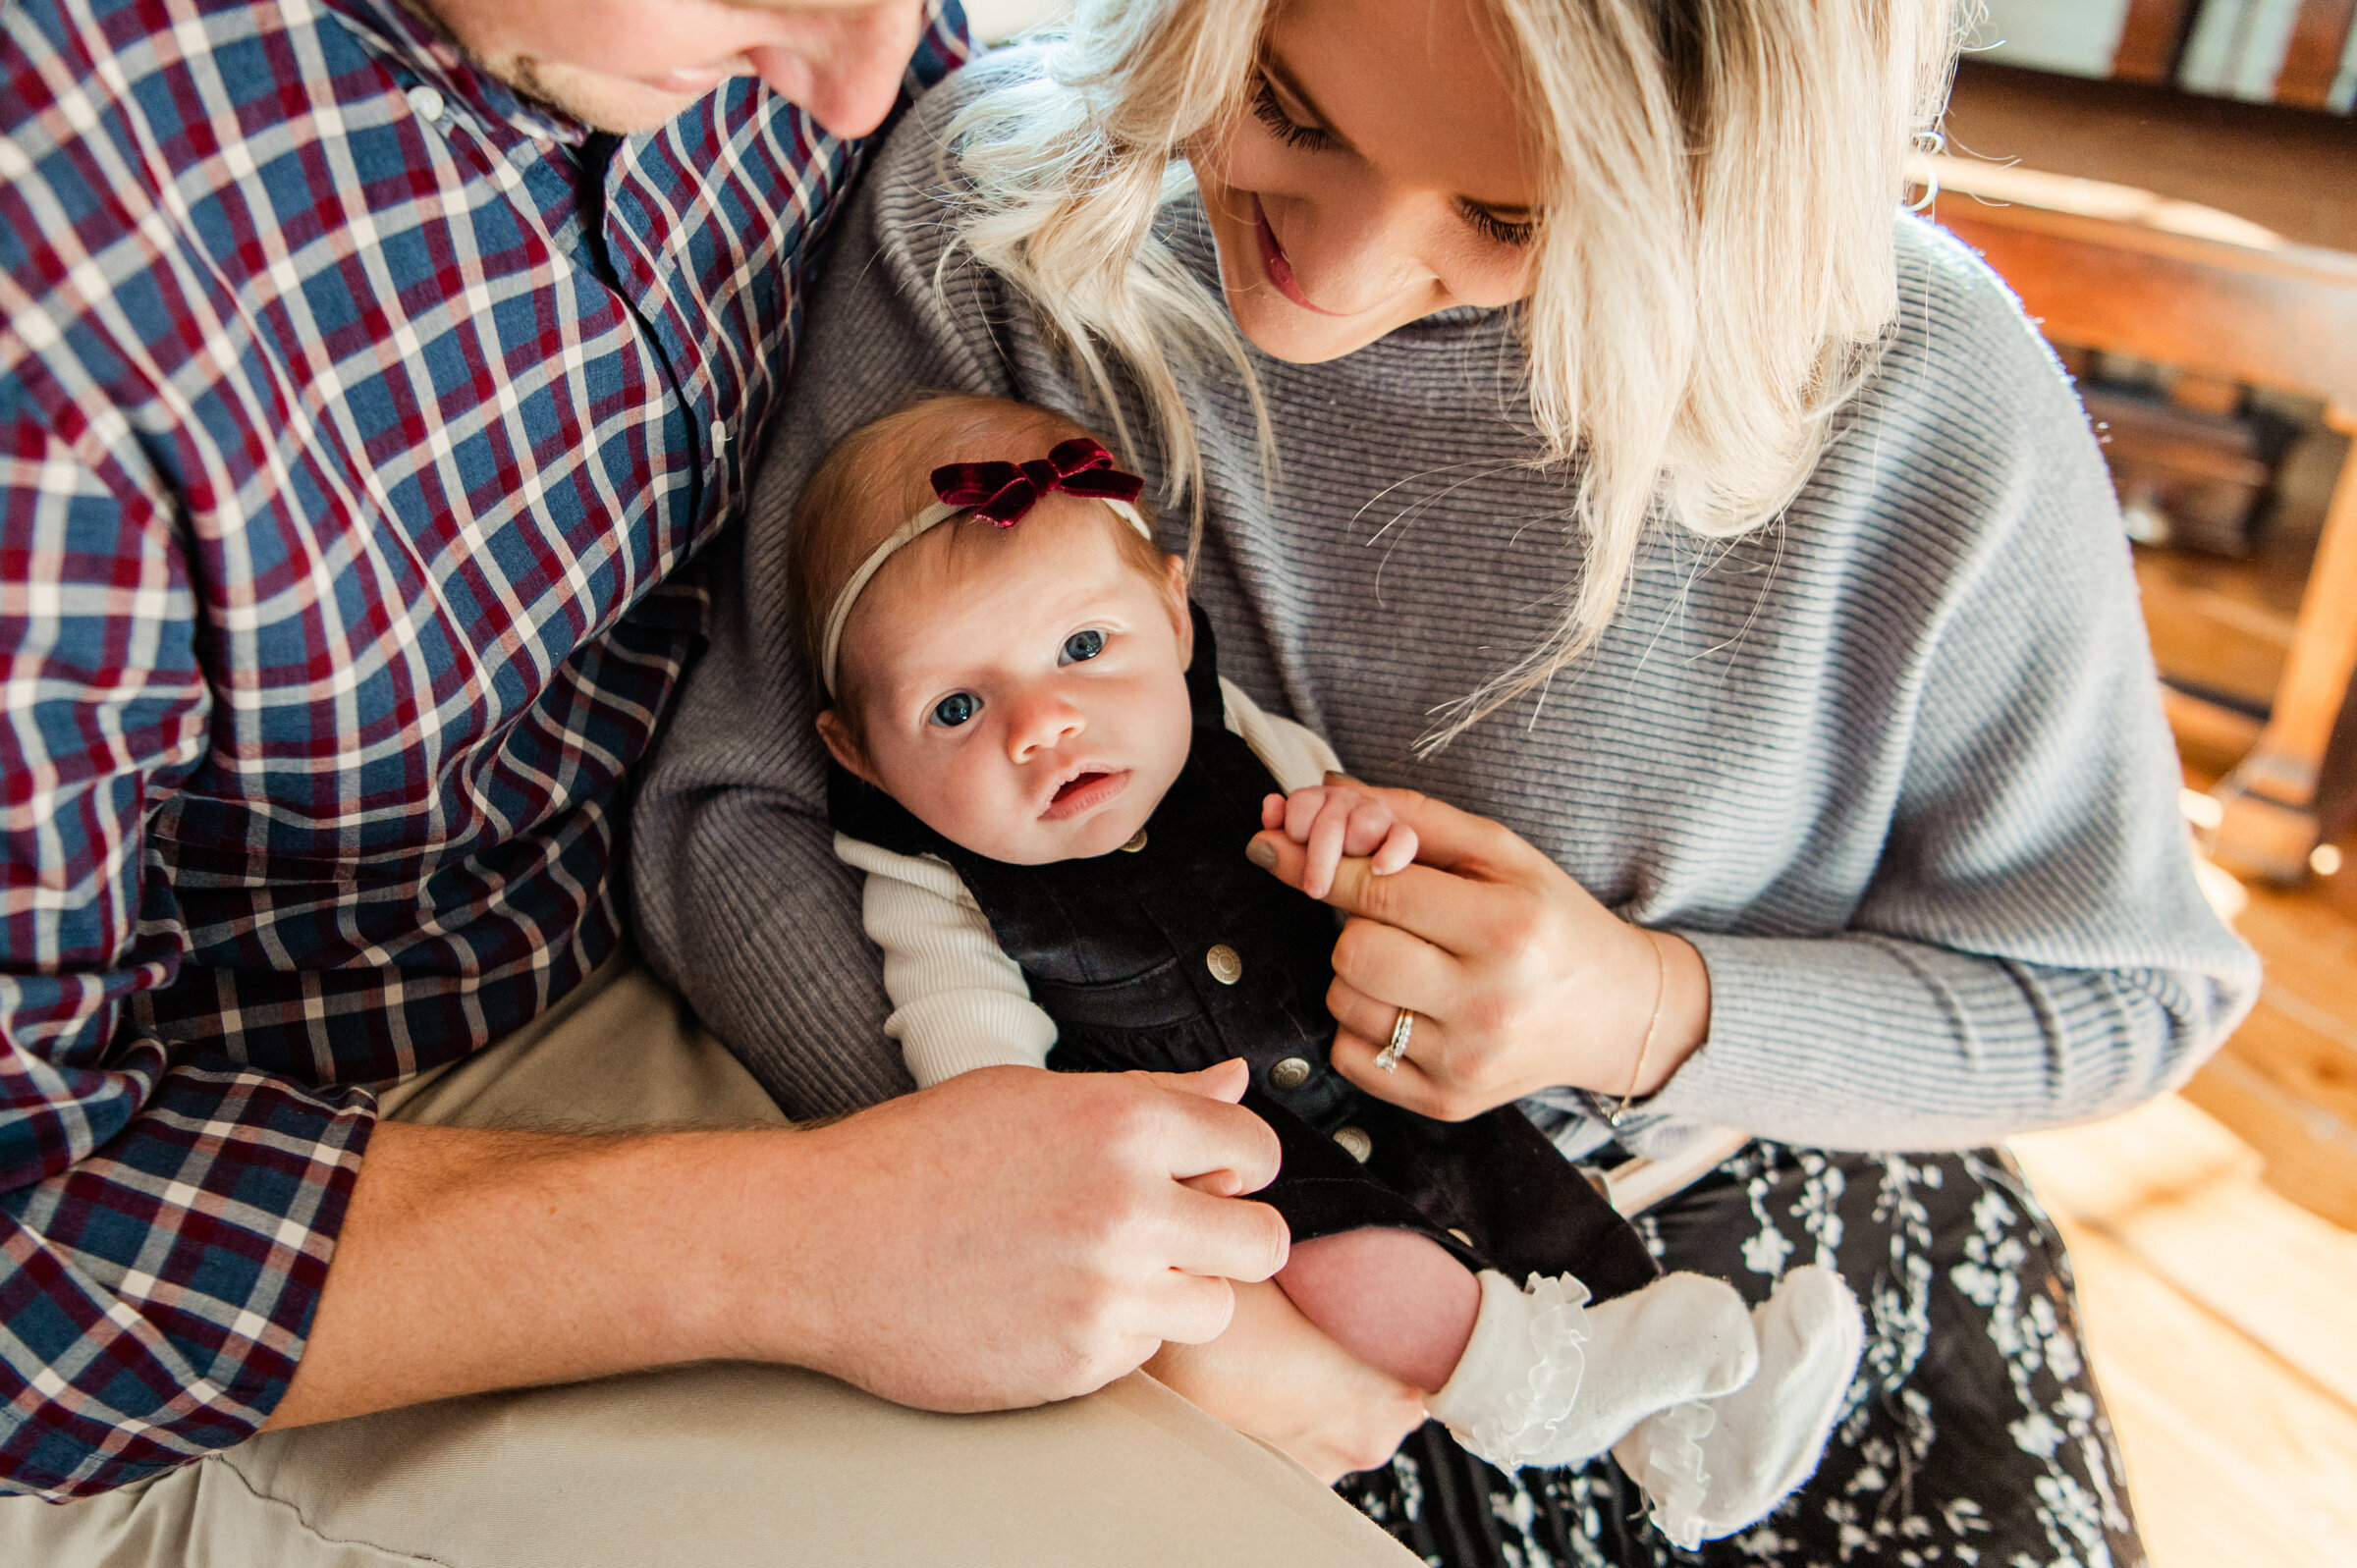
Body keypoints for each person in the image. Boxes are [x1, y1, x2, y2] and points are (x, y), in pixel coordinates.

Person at [631, 0, 2266, 1560]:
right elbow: (749, 812)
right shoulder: (1000, 219)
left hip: (1749, 1263)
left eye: (1502, 209)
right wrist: (1149, 1278)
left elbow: (2121, 993)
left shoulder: (1923, 396)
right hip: (1215, 1273)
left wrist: (1647, 1006)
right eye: (1284, 103)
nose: (1325, 275)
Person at [0, 1, 1417, 1562]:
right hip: (274, 1214)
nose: (870, 86)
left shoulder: (823, 49)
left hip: (700, 936)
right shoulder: (58, 247)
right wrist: (829, 1237)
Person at [793, 390, 1871, 1547]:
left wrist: (1357, 834)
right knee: (1361, 1269)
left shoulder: (1224, 729)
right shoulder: (930, 873)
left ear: (1173, 612)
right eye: (956, 705)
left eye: (1084, 647)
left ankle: (1694, 1440)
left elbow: (1331, 805)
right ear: (859, 752)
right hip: (1247, 1161)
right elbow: (977, 1079)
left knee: (1538, 1192)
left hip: (1385, 1054)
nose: (1044, 723)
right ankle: (1539, 1399)